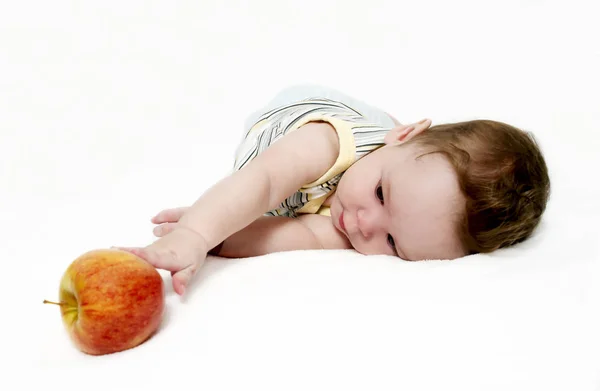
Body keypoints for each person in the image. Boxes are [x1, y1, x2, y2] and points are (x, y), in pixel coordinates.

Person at [115, 85, 550, 296]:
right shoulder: (328, 143)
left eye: (394, 242)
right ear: (403, 136)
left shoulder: (362, 223)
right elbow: (263, 184)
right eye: (382, 194)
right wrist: (196, 231)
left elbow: (290, 236)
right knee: (266, 184)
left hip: (370, 158)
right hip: (290, 122)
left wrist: (219, 240)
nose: (363, 224)